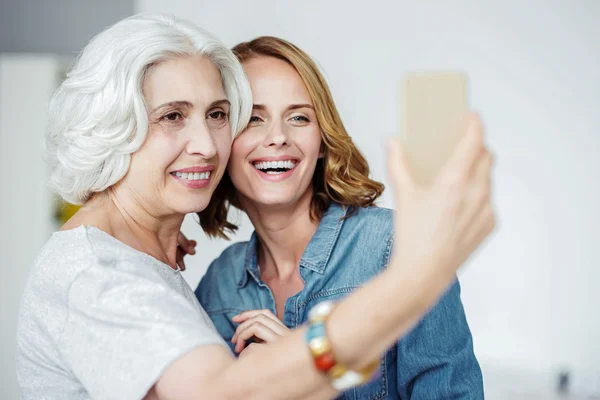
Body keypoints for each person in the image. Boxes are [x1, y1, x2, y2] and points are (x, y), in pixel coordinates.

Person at [16, 14, 495, 400]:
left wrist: (155, 245)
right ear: (111, 125)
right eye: (172, 116)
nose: (204, 143)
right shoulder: (110, 274)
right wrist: (411, 283)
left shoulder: (153, 267)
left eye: (219, 115)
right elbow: (219, 393)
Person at [193, 37, 486, 399]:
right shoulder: (219, 285)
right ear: (222, 140)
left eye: (299, 117)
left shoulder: (393, 245)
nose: (278, 137)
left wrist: (306, 374)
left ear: (321, 141)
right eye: (254, 118)